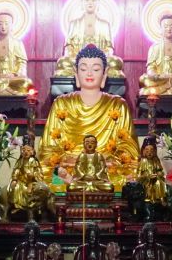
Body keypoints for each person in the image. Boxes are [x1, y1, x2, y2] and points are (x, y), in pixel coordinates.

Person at [39, 44, 139, 184]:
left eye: (96, 69)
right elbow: (48, 150)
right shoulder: (61, 103)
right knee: (43, 172)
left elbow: (129, 151)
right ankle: (69, 182)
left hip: (106, 168)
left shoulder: (118, 104)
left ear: (104, 73)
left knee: (134, 173)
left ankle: (74, 183)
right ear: (76, 72)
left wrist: (103, 160)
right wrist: (69, 161)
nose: (89, 73)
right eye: (84, 68)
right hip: (69, 167)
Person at [54, 0, 124, 77]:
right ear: (82, 3)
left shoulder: (105, 24)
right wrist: (78, 57)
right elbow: (68, 48)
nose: (90, 3)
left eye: (93, 0)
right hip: (78, 61)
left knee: (115, 62)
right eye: (87, 0)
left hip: (100, 61)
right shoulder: (74, 24)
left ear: (98, 3)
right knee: (62, 62)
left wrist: (100, 57)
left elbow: (109, 48)